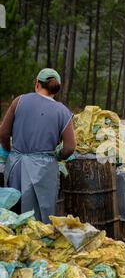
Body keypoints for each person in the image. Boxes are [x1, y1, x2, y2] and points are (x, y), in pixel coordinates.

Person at [0, 68, 76, 223]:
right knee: (40, 218)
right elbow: (69, 147)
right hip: (44, 171)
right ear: (56, 89)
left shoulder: (19, 101)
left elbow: (3, 133)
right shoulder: (62, 112)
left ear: (37, 84)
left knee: (12, 214)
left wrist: (9, 151)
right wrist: (57, 156)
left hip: (16, 165)